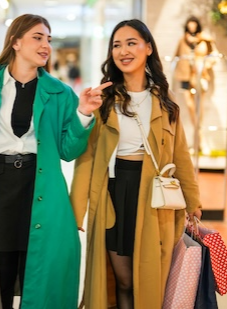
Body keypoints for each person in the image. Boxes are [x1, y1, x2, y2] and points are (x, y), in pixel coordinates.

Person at [0, 14, 111, 309]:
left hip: (41, 189)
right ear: (16, 41)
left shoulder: (59, 93)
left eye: (48, 39)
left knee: (39, 268)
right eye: (37, 37)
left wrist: (84, 113)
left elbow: (68, 150)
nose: (45, 45)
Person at [70, 19, 202, 309]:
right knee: (123, 280)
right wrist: (75, 212)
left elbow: (181, 155)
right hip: (114, 195)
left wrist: (193, 202)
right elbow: (87, 158)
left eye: (131, 43)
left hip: (153, 198)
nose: (123, 51)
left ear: (148, 48)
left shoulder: (165, 103)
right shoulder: (103, 100)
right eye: (117, 45)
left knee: (149, 278)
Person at [174, 16, 217, 151]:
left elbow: (214, 55)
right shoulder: (183, 40)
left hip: (200, 76)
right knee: (189, 105)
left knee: (200, 108)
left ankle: (199, 141)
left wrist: (206, 65)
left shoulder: (205, 40)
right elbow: (177, 56)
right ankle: (200, 138)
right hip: (186, 76)